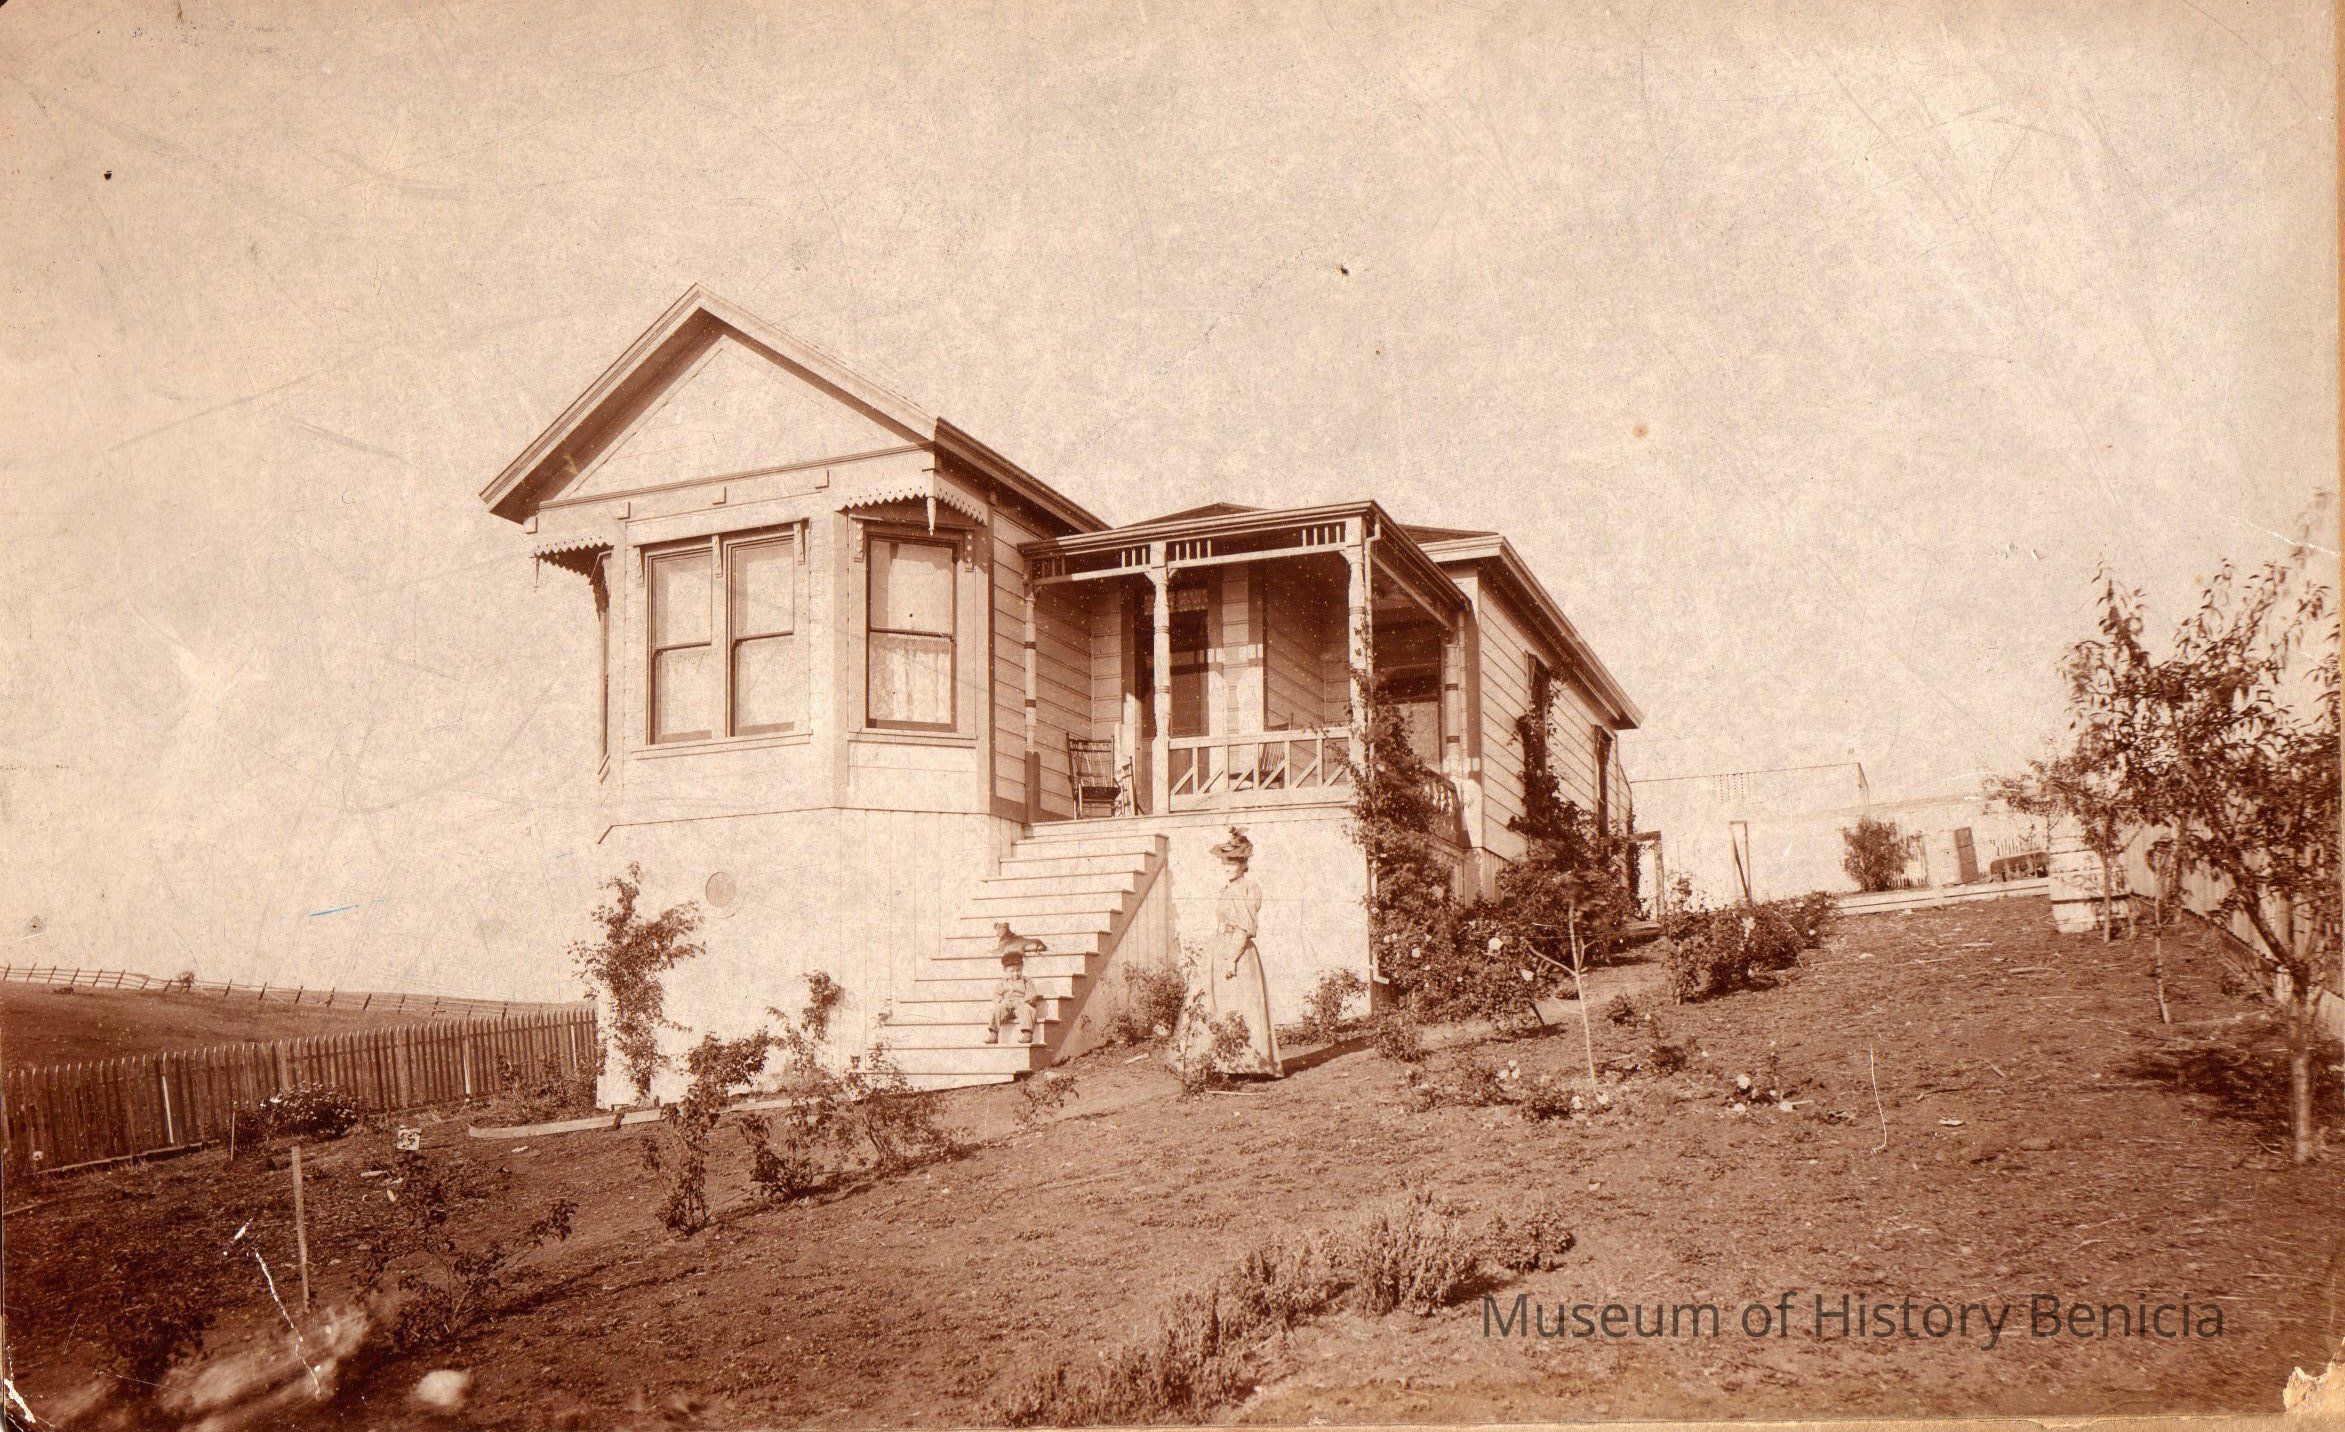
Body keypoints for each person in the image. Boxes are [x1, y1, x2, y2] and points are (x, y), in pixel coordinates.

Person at [1171, 828, 1283, 1078]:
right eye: (1226, 862)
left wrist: (1232, 958)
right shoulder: (1228, 889)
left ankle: (1247, 1063)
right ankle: (1221, 1061)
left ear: (1244, 865)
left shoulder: (1247, 888)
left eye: (1235, 862)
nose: (1229, 867)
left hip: (1236, 951)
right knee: (1216, 1003)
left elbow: (1243, 926)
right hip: (1220, 946)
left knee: (1238, 1004)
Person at [985, 922, 1045, 1045]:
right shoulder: (1002, 982)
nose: (1016, 973)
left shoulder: (1027, 981)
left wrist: (1024, 1000)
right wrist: (1002, 1001)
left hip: (1021, 1003)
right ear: (1005, 971)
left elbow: (1032, 994)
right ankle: (993, 1034)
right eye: (1012, 971)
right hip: (1007, 1005)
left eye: (1018, 970)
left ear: (1022, 968)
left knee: (1026, 1009)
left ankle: (1027, 1033)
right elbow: (996, 996)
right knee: (998, 1009)